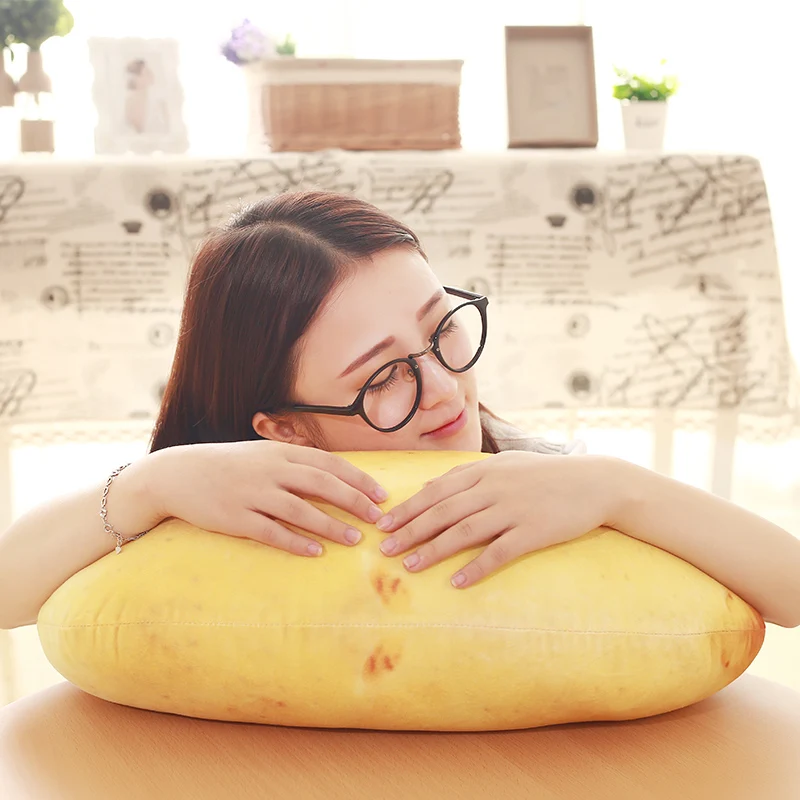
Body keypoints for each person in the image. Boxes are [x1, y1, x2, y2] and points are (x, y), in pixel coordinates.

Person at [1, 191, 798, 631]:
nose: (445, 389)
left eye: (442, 328)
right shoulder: (217, 516)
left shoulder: (542, 485)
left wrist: (620, 487)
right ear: (283, 429)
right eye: (383, 376)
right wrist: (147, 484)